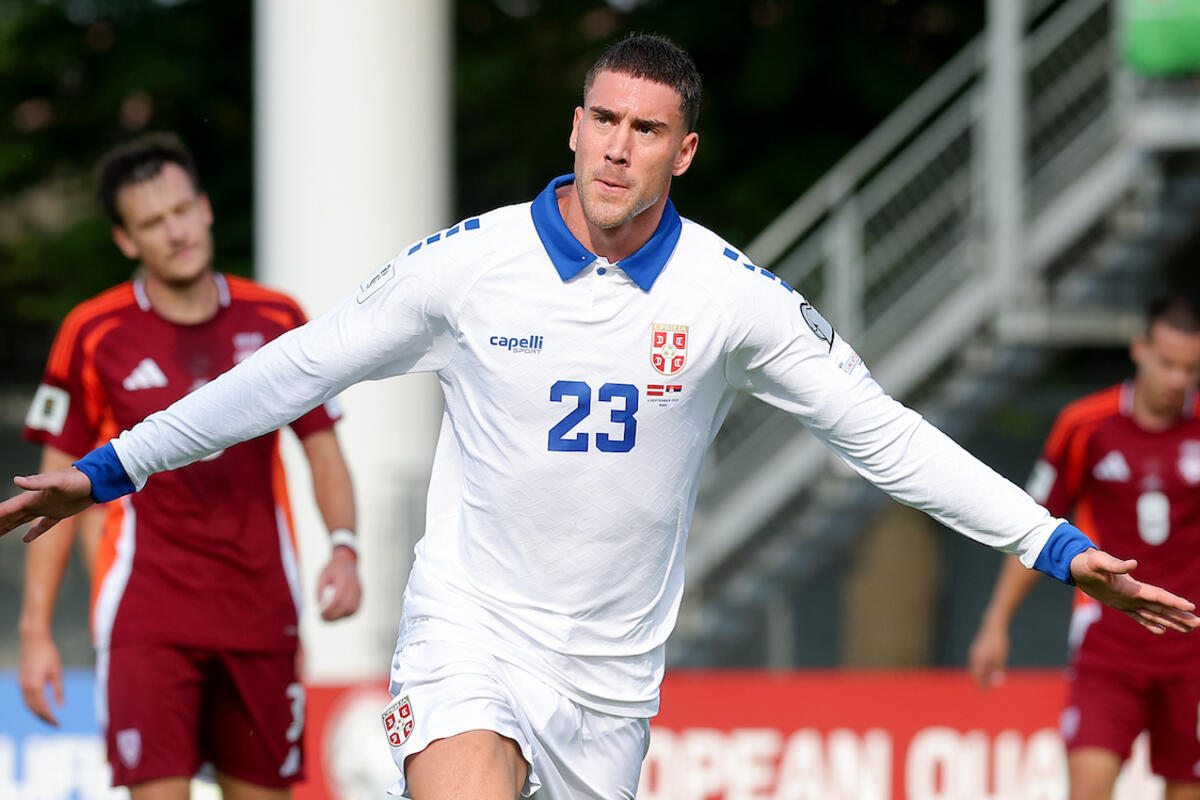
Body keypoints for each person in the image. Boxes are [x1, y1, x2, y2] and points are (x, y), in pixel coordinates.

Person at [1, 36, 1195, 800]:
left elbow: (883, 433)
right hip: (471, 631)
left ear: (685, 150)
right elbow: (293, 371)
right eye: (604, 121)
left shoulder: (730, 298)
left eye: (647, 130)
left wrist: (1056, 545)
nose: (619, 148)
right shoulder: (469, 267)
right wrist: (108, 467)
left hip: (612, 685)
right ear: (575, 125)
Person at [15, 132, 362, 800]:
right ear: (126, 240)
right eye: (152, 222)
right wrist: (36, 632)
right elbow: (51, 491)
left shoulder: (278, 318)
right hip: (147, 615)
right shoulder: (92, 332)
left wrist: (344, 548)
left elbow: (324, 449)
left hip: (261, 611)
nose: (175, 232)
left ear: (204, 208)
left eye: (181, 211)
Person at [968, 295, 1200, 800]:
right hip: (1108, 645)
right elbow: (1035, 527)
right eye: (1167, 363)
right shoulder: (1085, 424)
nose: (1178, 379)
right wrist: (996, 621)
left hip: (1192, 648)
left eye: (1190, 369)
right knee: (1088, 788)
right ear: (1139, 349)